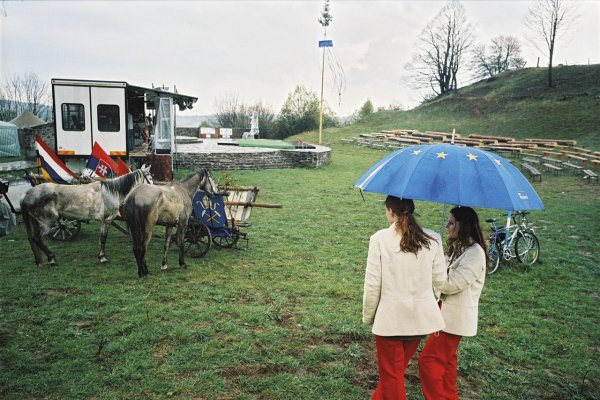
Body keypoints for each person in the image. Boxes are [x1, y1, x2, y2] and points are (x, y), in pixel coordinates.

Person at [362, 196, 446, 400]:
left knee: (392, 377)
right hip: (420, 320)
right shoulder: (433, 238)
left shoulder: (379, 239)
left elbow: (373, 284)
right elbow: (441, 281)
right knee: (395, 373)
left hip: (390, 320)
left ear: (391, 211)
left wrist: (368, 316)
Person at [418, 206, 487, 400]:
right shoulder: (458, 247)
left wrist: (433, 268)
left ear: (463, 226)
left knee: (428, 361)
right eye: (447, 222)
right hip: (443, 313)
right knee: (447, 364)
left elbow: (451, 284)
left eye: (451, 223)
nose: (447, 227)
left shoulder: (475, 253)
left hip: (454, 319)